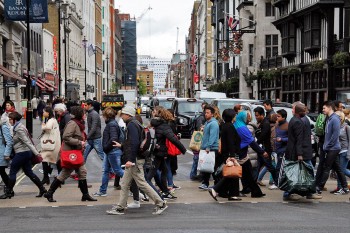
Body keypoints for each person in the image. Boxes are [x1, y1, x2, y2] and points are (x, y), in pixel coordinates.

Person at [106, 106, 168, 215]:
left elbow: (134, 143)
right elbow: (133, 142)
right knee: (124, 183)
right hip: (135, 159)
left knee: (142, 183)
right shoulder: (136, 124)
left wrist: (130, 159)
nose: (121, 117)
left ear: (127, 115)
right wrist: (122, 146)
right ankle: (120, 207)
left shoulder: (131, 125)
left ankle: (160, 203)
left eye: (122, 114)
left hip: (134, 160)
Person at [44, 106, 97, 202]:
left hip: (76, 153)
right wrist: (79, 142)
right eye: (84, 113)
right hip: (71, 153)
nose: (85, 115)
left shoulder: (78, 123)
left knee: (81, 172)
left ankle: (85, 194)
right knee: (65, 173)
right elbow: (66, 137)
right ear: (79, 114)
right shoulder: (73, 124)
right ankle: (49, 193)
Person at [0, 112, 47, 199]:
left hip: (22, 153)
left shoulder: (19, 129)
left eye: (10, 119)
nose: (9, 121)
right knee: (28, 172)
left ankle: (8, 192)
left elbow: (27, 142)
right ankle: (42, 188)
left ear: (15, 120)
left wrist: (37, 154)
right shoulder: (17, 127)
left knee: (12, 172)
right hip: (25, 153)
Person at [283, 102, 322, 201]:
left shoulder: (293, 120)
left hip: (295, 151)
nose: (306, 112)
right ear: (300, 112)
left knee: (293, 172)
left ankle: (290, 193)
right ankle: (307, 192)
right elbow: (299, 139)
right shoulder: (299, 121)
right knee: (308, 171)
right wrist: (300, 154)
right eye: (304, 111)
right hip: (300, 152)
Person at [148, 106, 186, 199]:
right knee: (149, 177)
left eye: (154, 111)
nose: (152, 112)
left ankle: (165, 192)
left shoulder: (153, 123)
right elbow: (173, 138)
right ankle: (155, 194)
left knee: (164, 170)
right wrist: (183, 149)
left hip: (156, 151)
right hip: (159, 152)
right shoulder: (163, 125)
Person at [316, 101, 349, 195]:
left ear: (330, 107)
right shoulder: (330, 118)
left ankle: (319, 187)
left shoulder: (334, 119)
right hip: (331, 148)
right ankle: (345, 187)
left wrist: (327, 146)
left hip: (333, 148)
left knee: (327, 167)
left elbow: (335, 135)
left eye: (324, 108)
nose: (323, 110)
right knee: (338, 169)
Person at [208, 109, 241, 201]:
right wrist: (232, 156)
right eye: (234, 116)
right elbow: (230, 142)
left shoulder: (224, 125)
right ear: (231, 116)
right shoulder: (230, 126)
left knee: (233, 174)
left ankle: (232, 194)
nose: (235, 118)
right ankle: (215, 189)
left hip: (226, 153)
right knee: (230, 174)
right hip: (230, 154)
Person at [233, 111, 267, 198]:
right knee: (247, 174)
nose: (249, 119)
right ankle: (254, 191)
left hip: (240, 153)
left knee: (246, 174)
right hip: (241, 154)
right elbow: (252, 142)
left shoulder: (237, 125)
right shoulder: (242, 128)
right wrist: (262, 152)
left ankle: (251, 190)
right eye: (247, 117)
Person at [93, 107, 124, 197]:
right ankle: (102, 191)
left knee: (118, 170)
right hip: (110, 151)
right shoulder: (112, 123)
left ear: (107, 116)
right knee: (106, 171)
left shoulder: (112, 125)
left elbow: (113, 138)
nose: (102, 117)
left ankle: (135, 184)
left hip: (112, 151)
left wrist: (106, 147)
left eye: (103, 115)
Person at [254, 106, 278, 186]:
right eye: (255, 115)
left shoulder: (266, 123)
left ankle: (277, 181)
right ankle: (254, 182)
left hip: (265, 148)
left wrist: (256, 143)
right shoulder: (263, 123)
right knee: (259, 166)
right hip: (262, 148)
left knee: (269, 166)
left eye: (257, 115)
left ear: (262, 115)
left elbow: (262, 136)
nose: (256, 117)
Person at [198, 105, 219, 190]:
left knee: (212, 166)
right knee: (206, 166)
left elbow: (212, 137)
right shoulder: (207, 122)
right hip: (207, 147)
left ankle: (215, 184)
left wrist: (208, 147)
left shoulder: (213, 123)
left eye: (208, 113)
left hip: (211, 148)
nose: (205, 114)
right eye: (205, 112)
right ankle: (205, 183)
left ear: (212, 114)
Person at [40, 106, 61, 185]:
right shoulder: (53, 120)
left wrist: (43, 126)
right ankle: (58, 178)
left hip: (51, 144)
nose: (43, 113)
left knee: (44, 159)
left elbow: (48, 128)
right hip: (53, 143)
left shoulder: (51, 120)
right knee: (55, 161)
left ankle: (46, 178)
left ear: (48, 113)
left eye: (44, 112)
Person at [331, 111, 350, 193]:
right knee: (340, 170)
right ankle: (339, 187)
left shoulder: (347, 127)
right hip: (337, 151)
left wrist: (349, 154)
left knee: (341, 170)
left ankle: (341, 187)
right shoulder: (336, 126)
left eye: (338, 116)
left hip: (344, 151)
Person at [190, 102, 207, 180]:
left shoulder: (202, 117)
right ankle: (193, 175)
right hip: (200, 141)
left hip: (201, 141)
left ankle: (196, 174)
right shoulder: (201, 118)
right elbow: (199, 130)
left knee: (198, 159)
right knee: (197, 158)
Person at [0, 112, 14, 196]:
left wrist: (6, 154)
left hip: (2, 154)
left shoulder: (3, 126)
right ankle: (10, 190)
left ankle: (10, 190)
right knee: (2, 172)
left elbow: (9, 141)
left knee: (2, 171)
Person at [274, 109, 289, 174]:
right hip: (277, 149)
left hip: (283, 150)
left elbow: (291, 138)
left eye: (278, 116)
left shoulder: (287, 125)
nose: (277, 117)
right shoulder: (277, 124)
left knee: (279, 168)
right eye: (277, 116)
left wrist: (282, 139)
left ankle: (278, 183)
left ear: (284, 117)